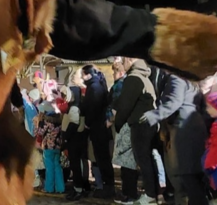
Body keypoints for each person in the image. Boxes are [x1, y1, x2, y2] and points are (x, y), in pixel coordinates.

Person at [141, 73, 208, 205]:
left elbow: (174, 102)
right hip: (195, 128)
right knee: (193, 177)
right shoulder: (192, 79)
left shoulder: (177, 78)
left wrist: (151, 116)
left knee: (185, 177)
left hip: (183, 129)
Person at [114, 59, 159, 204]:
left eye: (124, 60)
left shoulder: (133, 78)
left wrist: (118, 123)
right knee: (147, 160)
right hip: (148, 124)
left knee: (143, 160)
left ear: (130, 60)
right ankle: (153, 192)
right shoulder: (144, 77)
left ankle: (150, 194)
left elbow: (125, 105)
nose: (122, 63)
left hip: (140, 124)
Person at [81, 64, 114, 199]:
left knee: (102, 158)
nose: (82, 78)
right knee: (102, 157)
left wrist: (87, 123)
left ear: (88, 74)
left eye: (83, 74)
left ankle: (108, 187)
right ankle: (107, 185)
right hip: (100, 127)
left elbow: (92, 109)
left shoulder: (94, 88)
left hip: (98, 128)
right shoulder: (97, 86)